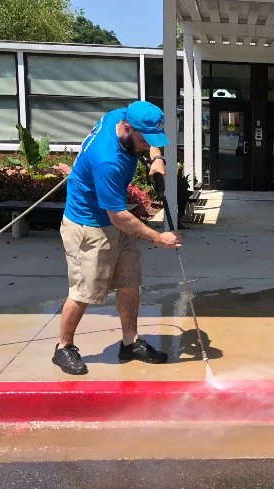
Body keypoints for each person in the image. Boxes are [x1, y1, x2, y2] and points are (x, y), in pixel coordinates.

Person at [53, 101, 182, 375]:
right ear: (126, 129)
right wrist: (159, 239)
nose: (147, 145)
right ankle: (63, 347)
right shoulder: (108, 160)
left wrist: (156, 158)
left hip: (115, 222)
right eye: (144, 141)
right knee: (84, 291)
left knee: (129, 282)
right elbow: (118, 216)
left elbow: (149, 139)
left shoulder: (120, 116)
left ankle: (130, 342)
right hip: (90, 225)